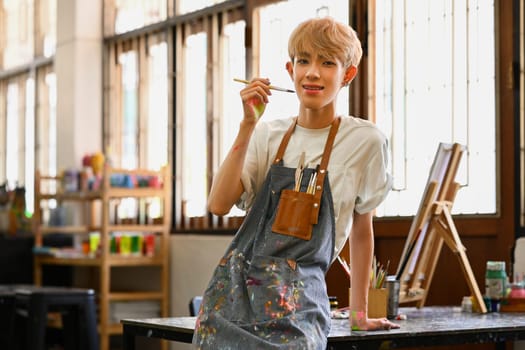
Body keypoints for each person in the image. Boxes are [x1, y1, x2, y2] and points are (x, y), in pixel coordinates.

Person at [193, 16, 400, 350]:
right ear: (290, 70)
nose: (312, 72)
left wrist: (359, 313)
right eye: (303, 61)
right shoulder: (267, 133)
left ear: (347, 74)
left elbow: (362, 230)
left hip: (300, 304)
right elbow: (218, 204)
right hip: (234, 294)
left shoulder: (366, 141)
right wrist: (247, 125)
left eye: (327, 62)